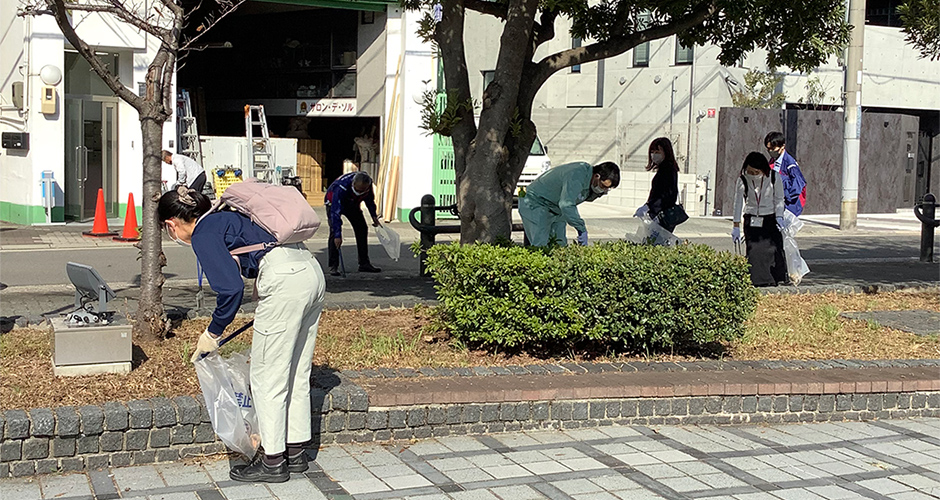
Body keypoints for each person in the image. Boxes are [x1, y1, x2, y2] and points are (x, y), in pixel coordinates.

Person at [158, 186, 325, 483]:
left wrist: (213, 332)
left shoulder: (203, 233)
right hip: (310, 270)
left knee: (267, 376)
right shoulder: (226, 215)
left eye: (167, 230)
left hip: (284, 280)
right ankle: (296, 451)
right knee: (297, 371)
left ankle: (273, 461)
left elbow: (230, 288)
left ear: (171, 223)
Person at [519, 161, 620, 247]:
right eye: (602, 186)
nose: (603, 190)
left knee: (560, 245)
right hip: (535, 202)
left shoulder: (591, 182)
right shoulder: (577, 174)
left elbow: (584, 198)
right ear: (597, 176)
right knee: (540, 245)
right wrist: (581, 229)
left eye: (607, 189)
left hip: (555, 208)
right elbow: (566, 204)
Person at [732, 152, 788, 287]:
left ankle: (774, 278)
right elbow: (738, 203)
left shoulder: (774, 177)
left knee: (771, 250)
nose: (752, 174)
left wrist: (779, 216)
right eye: (749, 171)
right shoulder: (743, 180)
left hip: (770, 218)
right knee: (754, 250)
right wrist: (736, 226)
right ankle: (755, 280)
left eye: (756, 172)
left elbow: (779, 198)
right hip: (751, 219)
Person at [325, 171, 382, 275]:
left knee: (362, 228)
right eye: (357, 190)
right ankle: (333, 266)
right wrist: (338, 235)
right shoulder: (341, 187)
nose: (360, 192)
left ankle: (364, 263)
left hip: (352, 203)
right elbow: (335, 213)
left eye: (362, 191)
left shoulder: (367, 186)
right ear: (353, 184)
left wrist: (374, 215)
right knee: (334, 232)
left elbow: (370, 201)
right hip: (333, 203)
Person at [633, 137, 682, 232]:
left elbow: (666, 195)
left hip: (660, 216)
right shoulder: (666, 169)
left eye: (658, 152)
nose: (654, 155)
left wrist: (649, 207)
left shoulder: (667, 170)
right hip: (661, 215)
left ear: (666, 153)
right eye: (652, 152)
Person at [764, 132, 807, 217]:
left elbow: (797, 187)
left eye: (773, 148)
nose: (770, 151)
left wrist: (783, 197)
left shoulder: (790, 165)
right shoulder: (773, 161)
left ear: (782, 146)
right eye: (768, 149)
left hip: (789, 207)